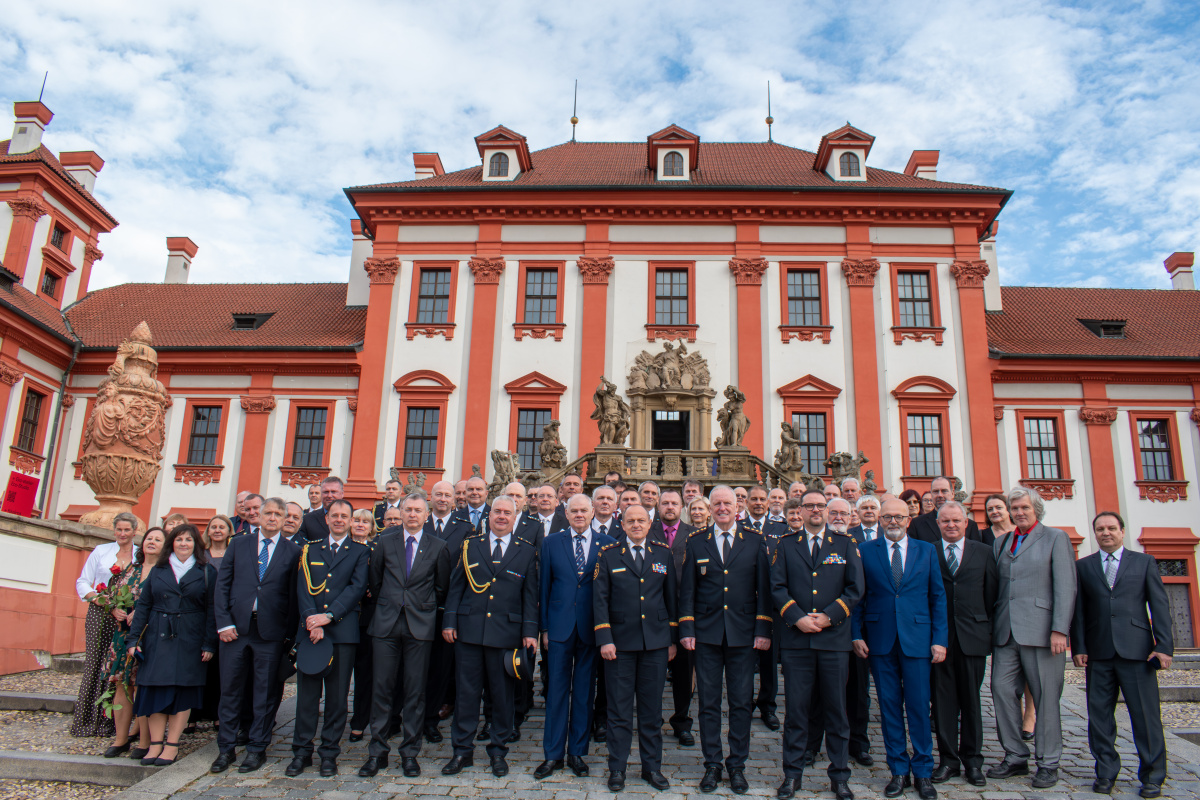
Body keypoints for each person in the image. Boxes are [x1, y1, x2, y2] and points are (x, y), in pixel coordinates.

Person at [1072, 512, 1173, 798]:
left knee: (1146, 717)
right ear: (1095, 533)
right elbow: (1079, 611)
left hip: (1138, 653)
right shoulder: (1084, 566)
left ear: (1122, 531)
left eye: (1111, 528)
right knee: (1100, 718)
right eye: (1100, 529)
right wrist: (1078, 646)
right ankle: (1105, 772)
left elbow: (1160, 606)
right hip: (1099, 653)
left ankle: (1152, 775)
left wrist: (1164, 646)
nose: (1106, 533)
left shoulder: (1143, 563)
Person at [852, 497, 947, 800]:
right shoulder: (866, 551)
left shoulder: (926, 550)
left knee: (919, 706)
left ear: (909, 519)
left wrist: (939, 639)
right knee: (890, 707)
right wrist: (856, 634)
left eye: (899, 517)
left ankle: (923, 771)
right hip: (879, 640)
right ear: (879, 520)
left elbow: (938, 597)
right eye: (887, 517)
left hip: (918, 640)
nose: (893, 522)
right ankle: (898, 770)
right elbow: (857, 598)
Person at [771, 494, 863, 800]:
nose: (814, 510)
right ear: (800, 511)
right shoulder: (786, 544)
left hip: (833, 640)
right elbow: (777, 587)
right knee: (796, 712)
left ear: (826, 511)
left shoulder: (845, 544)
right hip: (798, 641)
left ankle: (839, 777)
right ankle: (792, 775)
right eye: (808, 506)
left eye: (819, 506)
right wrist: (797, 618)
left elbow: (855, 589)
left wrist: (828, 617)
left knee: (836, 711)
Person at [679, 485, 771, 794]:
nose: (721, 508)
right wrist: (687, 630)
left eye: (727, 503)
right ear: (709, 508)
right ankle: (712, 764)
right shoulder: (696, 542)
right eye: (716, 503)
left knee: (741, 702)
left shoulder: (756, 542)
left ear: (737, 507)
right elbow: (687, 591)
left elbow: (764, 593)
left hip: (744, 635)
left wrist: (762, 630)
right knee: (708, 702)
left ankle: (737, 764)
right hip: (705, 635)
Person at [441, 496, 539, 778]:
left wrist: (530, 631)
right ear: (489, 515)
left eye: (507, 513)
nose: (501, 517)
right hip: (469, 631)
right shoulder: (471, 546)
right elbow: (456, 586)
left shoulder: (526, 550)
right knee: (467, 695)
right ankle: (462, 751)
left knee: (502, 696)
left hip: (506, 635)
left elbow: (529, 595)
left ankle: (498, 750)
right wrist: (449, 620)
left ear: (515, 516)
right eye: (497, 511)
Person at [988, 486, 1076, 789]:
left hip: (1042, 633)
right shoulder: (1001, 542)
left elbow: (1066, 586)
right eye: (1014, 508)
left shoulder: (1055, 538)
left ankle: (1048, 762)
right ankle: (1015, 755)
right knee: (1000, 690)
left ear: (1036, 509)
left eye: (1024, 507)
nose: (1019, 513)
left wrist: (1060, 629)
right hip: (1005, 631)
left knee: (1046, 699)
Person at [359, 494, 452, 777]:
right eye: (408, 510)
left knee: (414, 691)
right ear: (400, 513)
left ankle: (410, 752)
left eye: (418, 511)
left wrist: (419, 606)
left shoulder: (439, 546)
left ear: (427, 514)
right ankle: (377, 752)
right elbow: (375, 580)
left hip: (420, 626)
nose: (412, 515)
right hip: (386, 624)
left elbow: (441, 587)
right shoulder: (384, 541)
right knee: (382, 689)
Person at [211, 497, 302, 774]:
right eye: (268, 513)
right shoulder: (239, 544)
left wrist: (288, 637)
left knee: (264, 693)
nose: (273, 518)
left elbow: (293, 598)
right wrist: (223, 623)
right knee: (230, 691)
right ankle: (225, 749)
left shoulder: (294, 551)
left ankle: (257, 748)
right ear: (258, 516)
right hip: (236, 631)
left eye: (278, 514)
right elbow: (222, 585)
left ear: (285, 518)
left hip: (270, 634)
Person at [593, 504, 677, 792]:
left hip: (655, 644)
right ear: (623, 524)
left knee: (652, 711)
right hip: (620, 645)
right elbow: (600, 599)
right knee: (618, 711)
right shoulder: (609, 554)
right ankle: (617, 768)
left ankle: (651, 768)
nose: (637, 524)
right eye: (631, 521)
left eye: (642, 520)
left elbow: (671, 600)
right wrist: (605, 638)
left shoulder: (662, 553)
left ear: (649, 522)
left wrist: (671, 640)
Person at [534, 494, 615, 780]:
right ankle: (552, 754)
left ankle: (577, 752)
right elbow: (543, 588)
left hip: (590, 628)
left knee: (583, 693)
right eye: (574, 511)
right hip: (558, 628)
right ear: (565, 514)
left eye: (584, 510)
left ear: (593, 512)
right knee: (556, 693)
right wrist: (543, 628)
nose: (579, 515)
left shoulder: (607, 545)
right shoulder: (551, 543)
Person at [287, 499, 369, 778]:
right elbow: (303, 587)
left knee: (336, 698)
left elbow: (356, 588)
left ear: (350, 520)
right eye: (334, 515)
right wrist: (313, 619)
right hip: (311, 631)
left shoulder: (360, 551)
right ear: (326, 519)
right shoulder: (310, 550)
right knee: (307, 697)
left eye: (344, 516)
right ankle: (301, 752)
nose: (338, 519)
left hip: (342, 632)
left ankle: (329, 753)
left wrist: (329, 616)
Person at [126, 525, 217, 766]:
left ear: (197, 544)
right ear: (172, 543)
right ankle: (155, 743)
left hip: (191, 638)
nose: (184, 544)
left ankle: (172, 744)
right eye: (179, 540)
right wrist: (134, 640)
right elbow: (144, 606)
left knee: (182, 693)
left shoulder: (207, 571)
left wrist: (209, 643)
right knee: (155, 691)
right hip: (158, 636)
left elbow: (212, 611)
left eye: (189, 540)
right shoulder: (159, 570)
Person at [931, 501, 997, 787]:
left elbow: (993, 595)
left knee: (971, 702)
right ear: (938, 524)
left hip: (973, 637)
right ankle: (948, 760)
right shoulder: (928, 552)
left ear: (966, 522)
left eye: (956, 520)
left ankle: (972, 761)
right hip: (939, 640)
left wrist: (988, 633)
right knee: (943, 702)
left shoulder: (984, 552)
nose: (951, 525)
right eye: (945, 521)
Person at [807, 498, 874, 768]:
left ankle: (858, 744)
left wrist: (857, 632)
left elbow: (861, 590)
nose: (837, 517)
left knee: (858, 693)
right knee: (818, 694)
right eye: (831, 512)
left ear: (852, 516)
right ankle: (812, 745)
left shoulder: (861, 544)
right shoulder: (820, 541)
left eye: (842, 513)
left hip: (859, 630)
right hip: (827, 628)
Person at [73, 511, 140, 738]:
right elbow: (83, 581)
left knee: (116, 668)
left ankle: (109, 723)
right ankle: (85, 720)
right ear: (114, 531)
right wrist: (104, 602)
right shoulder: (101, 551)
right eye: (119, 529)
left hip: (125, 615)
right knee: (94, 664)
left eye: (127, 530)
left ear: (134, 531)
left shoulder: (139, 554)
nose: (122, 534)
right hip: (99, 613)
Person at [101, 527, 164, 759]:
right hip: (122, 635)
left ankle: (145, 741)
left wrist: (140, 613)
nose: (152, 542)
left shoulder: (164, 571)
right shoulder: (131, 568)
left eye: (158, 539)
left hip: (148, 635)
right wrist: (114, 609)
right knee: (121, 686)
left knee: (141, 688)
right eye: (149, 538)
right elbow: (113, 594)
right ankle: (120, 739)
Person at [421, 479, 474, 742]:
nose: (442, 499)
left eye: (447, 495)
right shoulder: (420, 522)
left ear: (454, 500)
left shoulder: (464, 528)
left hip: (446, 606)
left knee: (441, 667)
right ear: (431, 497)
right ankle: (409, 715)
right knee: (414, 666)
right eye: (438, 494)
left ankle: (431, 718)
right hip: (417, 605)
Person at [981, 493, 1034, 740]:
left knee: (1032, 675)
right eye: (989, 508)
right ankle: (1012, 741)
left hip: (1029, 615)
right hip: (1001, 611)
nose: (994, 512)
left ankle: (1030, 716)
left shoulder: (1031, 535)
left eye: (999, 507)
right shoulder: (986, 537)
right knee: (1003, 682)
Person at [657, 490, 698, 746]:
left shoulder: (694, 534)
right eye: (665, 503)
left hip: (685, 613)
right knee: (652, 674)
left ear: (682, 506)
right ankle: (651, 721)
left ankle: (682, 722)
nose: (669, 507)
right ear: (658, 506)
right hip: (652, 614)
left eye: (674, 503)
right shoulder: (644, 529)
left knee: (684, 674)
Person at [197, 517, 232, 732]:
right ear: (208, 531)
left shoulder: (234, 552)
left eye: (222, 527)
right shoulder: (200, 555)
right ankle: (195, 713)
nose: (217, 530)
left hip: (227, 614)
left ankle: (217, 713)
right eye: (214, 527)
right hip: (202, 614)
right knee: (200, 665)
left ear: (230, 531)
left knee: (222, 668)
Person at [348, 508, 379, 744]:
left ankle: (359, 721)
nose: (360, 524)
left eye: (365, 522)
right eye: (356, 521)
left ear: (372, 527)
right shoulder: (340, 548)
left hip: (367, 618)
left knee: (365, 675)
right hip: (342, 617)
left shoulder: (376, 550)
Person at [908, 477, 988, 545]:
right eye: (936, 491)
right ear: (931, 494)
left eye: (944, 491)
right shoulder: (916, 524)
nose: (940, 495)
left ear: (952, 493)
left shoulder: (970, 525)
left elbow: (975, 552)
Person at [297, 477, 344, 543]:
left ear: (342, 494)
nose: (329, 495)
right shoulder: (308, 519)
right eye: (326, 492)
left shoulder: (352, 518)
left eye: (333, 492)